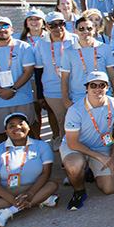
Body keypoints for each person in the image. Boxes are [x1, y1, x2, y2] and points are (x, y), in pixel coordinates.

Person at [0, 112, 58, 227]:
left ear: (28, 127)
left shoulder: (42, 146)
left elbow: (45, 173)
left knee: (52, 185)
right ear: (6, 131)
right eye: (11, 126)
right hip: (6, 191)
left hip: (33, 187)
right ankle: (39, 200)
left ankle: (8, 212)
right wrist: (13, 200)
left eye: (21, 124)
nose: (17, 127)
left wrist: (30, 194)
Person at [61, 71, 114, 209]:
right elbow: (73, 143)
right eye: (93, 85)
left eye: (102, 85)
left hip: (101, 147)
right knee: (75, 165)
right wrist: (100, 157)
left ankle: (90, 169)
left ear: (107, 88)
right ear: (86, 88)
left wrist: (112, 157)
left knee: (109, 188)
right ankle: (79, 190)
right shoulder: (75, 110)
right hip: (77, 148)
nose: (97, 89)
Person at [59, 15, 114, 118]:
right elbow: (65, 78)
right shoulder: (68, 51)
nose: (85, 31)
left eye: (89, 28)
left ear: (94, 30)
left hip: (102, 93)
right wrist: (66, 100)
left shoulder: (104, 48)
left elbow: (111, 72)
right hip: (79, 96)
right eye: (81, 28)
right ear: (75, 30)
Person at [34, 12, 75, 149]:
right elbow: (38, 70)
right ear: (46, 26)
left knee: (74, 119)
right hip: (52, 89)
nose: (58, 28)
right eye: (53, 25)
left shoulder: (74, 39)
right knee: (61, 120)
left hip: (74, 87)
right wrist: (40, 95)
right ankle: (66, 147)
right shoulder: (41, 44)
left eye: (61, 24)